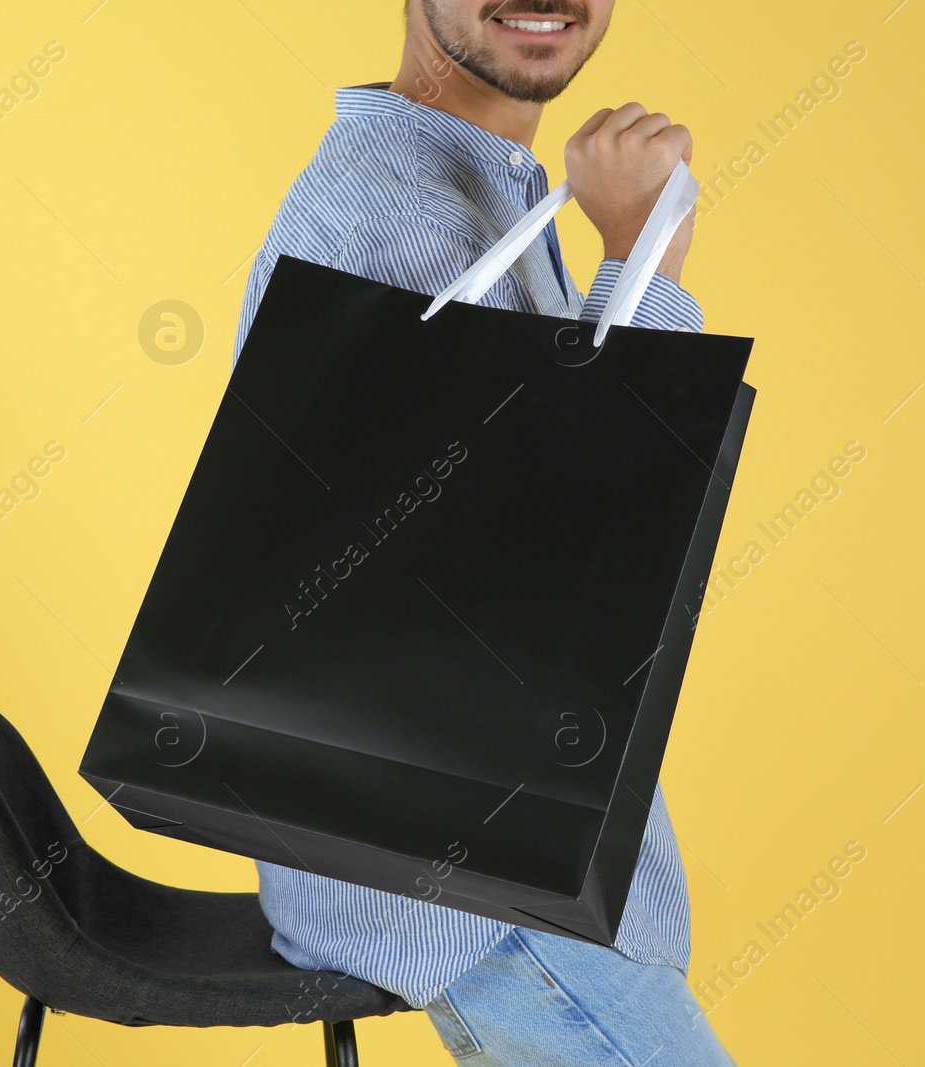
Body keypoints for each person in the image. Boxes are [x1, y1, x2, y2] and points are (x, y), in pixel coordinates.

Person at [232, 3, 734, 1063]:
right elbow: (541, 578)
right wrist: (644, 267)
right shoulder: (401, 217)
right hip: (465, 873)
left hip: (486, 838)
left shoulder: (477, 191)